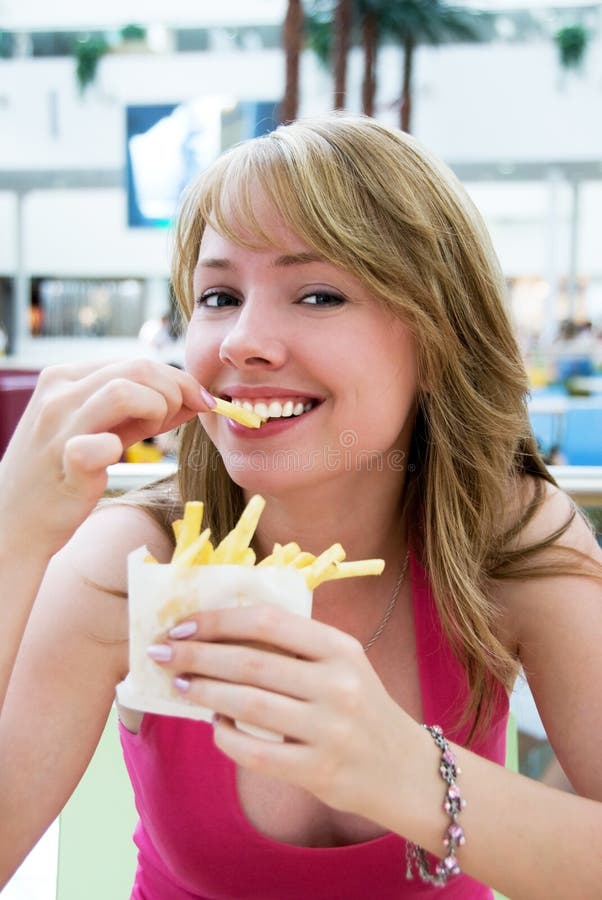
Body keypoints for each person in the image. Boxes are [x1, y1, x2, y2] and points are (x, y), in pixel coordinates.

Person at [1, 114, 601, 899]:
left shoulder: (511, 535)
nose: (243, 341)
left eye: (318, 293)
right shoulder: (134, 558)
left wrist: (404, 771)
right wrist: (13, 530)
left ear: (437, 338)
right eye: (218, 295)